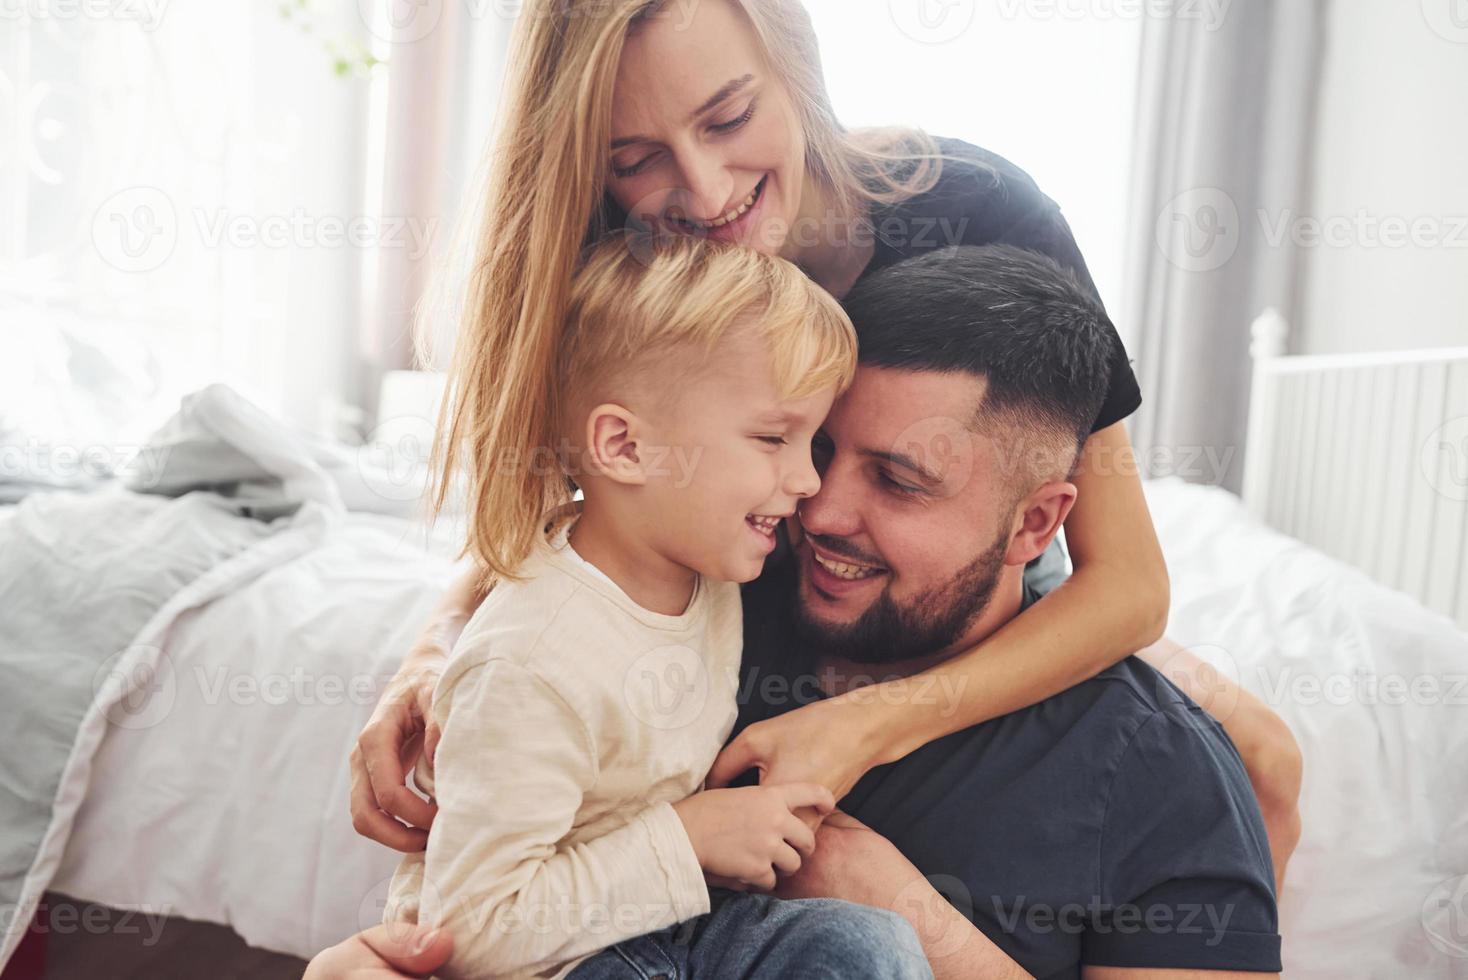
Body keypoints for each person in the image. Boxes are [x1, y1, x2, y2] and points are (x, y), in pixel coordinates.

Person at [350, 0, 1299, 898]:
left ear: (790, 58)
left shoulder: (979, 212)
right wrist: (431, 653)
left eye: (728, 117)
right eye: (637, 159)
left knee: (1261, 757)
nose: (706, 189)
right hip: (731, 592)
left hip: (946, 589)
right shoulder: (622, 260)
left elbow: (1128, 582)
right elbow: (566, 513)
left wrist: (867, 728)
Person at [315, 245, 1283, 979]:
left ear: (1036, 522)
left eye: (898, 481)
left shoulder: (1159, 775)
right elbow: (558, 558)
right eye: (806, 443)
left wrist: (915, 921)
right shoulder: (711, 577)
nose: (815, 502)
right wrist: (430, 651)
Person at [378, 233, 939, 979]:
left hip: (671, 925)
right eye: (774, 437)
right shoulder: (531, 661)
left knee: (871, 947)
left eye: (813, 442)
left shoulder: (704, 559)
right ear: (624, 447)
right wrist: (687, 840)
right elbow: (470, 931)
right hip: (551, 962)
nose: (809, 483)